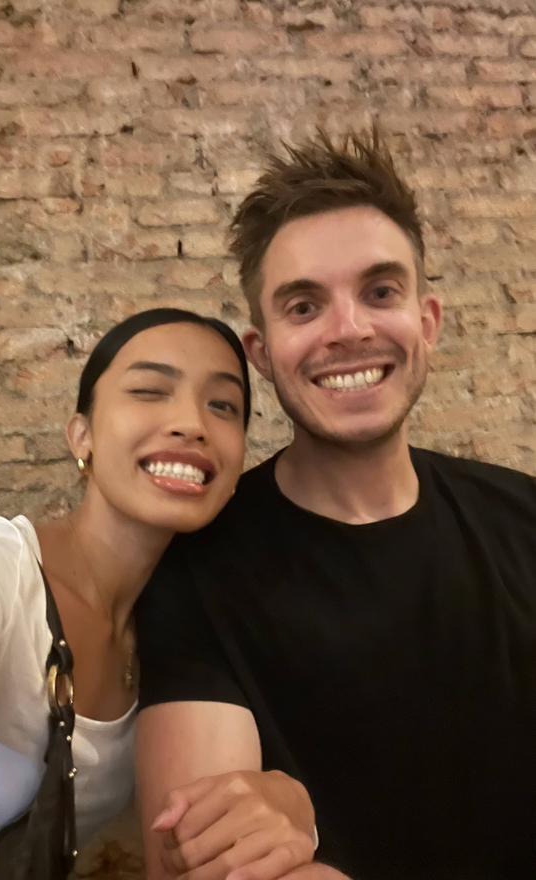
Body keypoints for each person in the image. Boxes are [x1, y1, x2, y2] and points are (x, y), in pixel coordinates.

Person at [134, 130, 536, 880]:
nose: (348, 330)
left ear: (428, 321)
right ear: (261, 352)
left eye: (380, 292)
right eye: (304, 305)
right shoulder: (194, 573)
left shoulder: (523, 517)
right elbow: (205, 865)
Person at [0, 308, 313, 880]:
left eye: (223, 405)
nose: (191, 423)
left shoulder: (182, 634)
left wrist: (296, 809)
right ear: (81, 434)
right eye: (149, 391)